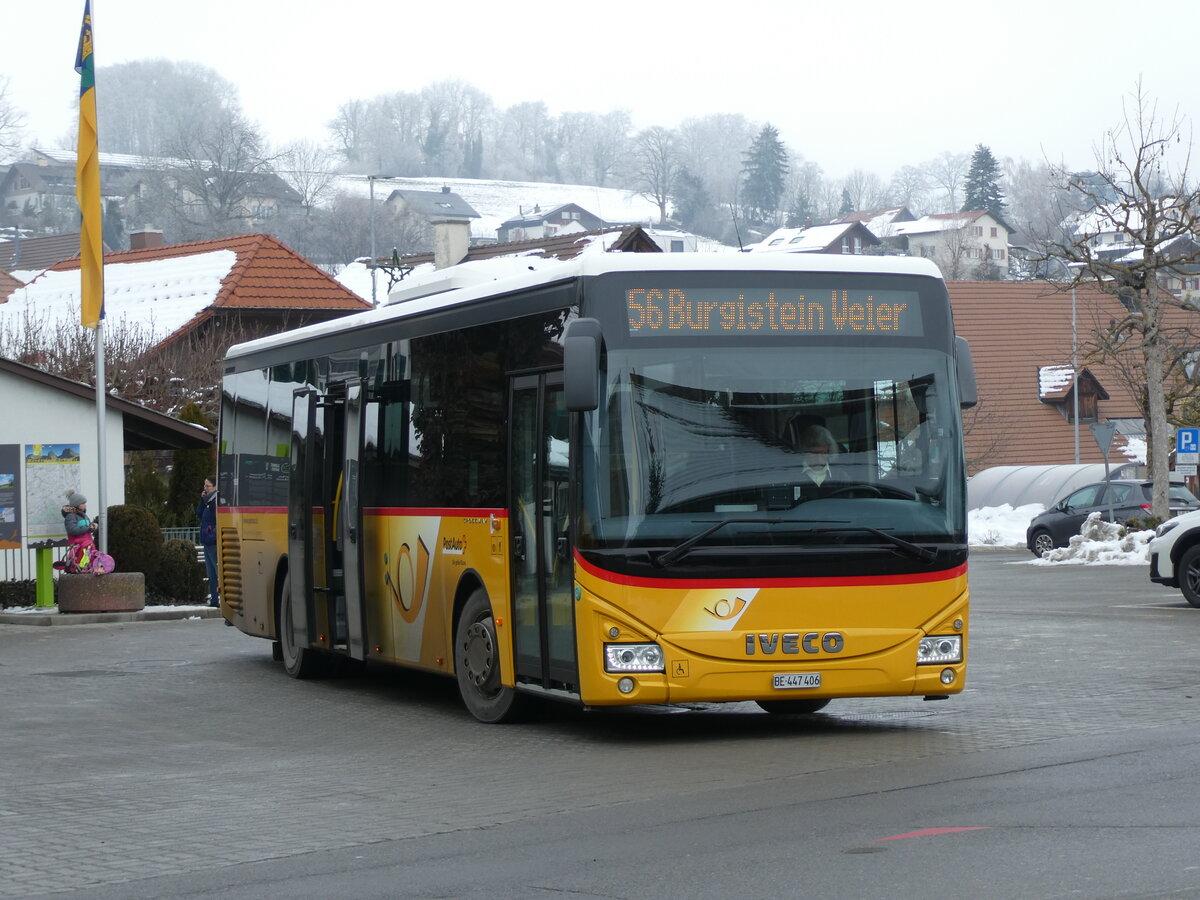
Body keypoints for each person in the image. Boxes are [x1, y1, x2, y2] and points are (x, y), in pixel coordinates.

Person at [60, 490, 99, 573]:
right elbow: (72, 530)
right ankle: (80, 569)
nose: (85, 505)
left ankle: (88, 569)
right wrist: (87, 528)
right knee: (81, 562)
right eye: (83, 503)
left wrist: (92, 527)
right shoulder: (70, 517)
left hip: (87, 545)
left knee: (89, 559)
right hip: (78, 546)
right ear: (77, 505)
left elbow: (87, 527)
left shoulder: (84, 516)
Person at [197, 477, 219, 607]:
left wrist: (212, 534)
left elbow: (217, 521)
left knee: (217, 571)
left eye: (208, 486)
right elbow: (199, 514)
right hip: (206, 541)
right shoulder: (207, 501)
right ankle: (214, 599)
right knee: (210, 573)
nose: (205, 489)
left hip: (212, 541)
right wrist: (202, 500)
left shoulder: (215, 502)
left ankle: (221, 598)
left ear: (215, 487)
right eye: (204, 486)